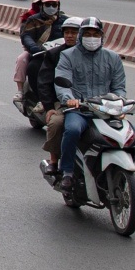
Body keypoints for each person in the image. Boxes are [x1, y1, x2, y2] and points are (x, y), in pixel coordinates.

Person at [47, 17, 127, 187]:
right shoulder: (67, 56)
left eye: (95, 34)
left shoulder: (113, 58)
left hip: (105, 111)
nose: (92, 37)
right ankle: (67, 171)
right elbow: (61, 82)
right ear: (81, 35)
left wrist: (120, 102)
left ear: (102, 36)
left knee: (133, 134)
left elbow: (119, 87)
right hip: (79, 110)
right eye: (88, 34)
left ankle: (121, 169)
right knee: (72, 130)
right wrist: (69, 100)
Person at [36, 16, 83, 172]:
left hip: (91, 102)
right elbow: (45, 82)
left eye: (74, 33)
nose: (70, 36)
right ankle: (54, 161)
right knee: (56, 123)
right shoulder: (55, 54)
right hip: (63, 103)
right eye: (67, 32)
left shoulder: (98, 56)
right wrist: (50, 106)